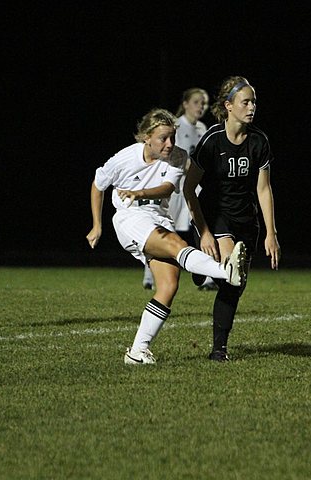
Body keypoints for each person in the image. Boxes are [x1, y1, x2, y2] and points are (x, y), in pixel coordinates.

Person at [87, 108, 247, 365]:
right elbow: (98, 184)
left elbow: (167, 188)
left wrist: (140, 193)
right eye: (163, 138)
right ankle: (225, 272)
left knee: (169, 285)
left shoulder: (176, 156)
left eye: (172, 137)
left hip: (157, 217)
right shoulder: (125, 158)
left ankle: (137, 351)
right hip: (130, 217)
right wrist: (97, 225)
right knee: (176, 245)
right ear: (146, 138)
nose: (170, 144)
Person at [183, 76, 281, 362]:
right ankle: (201, 257)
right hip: (216, 215)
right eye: (245, 102)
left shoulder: (259, 141)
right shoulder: (212, 141)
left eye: (254, 102)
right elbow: (189, 188)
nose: (252, 107)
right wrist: (203, 231)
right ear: (228, 106)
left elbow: (263, 189)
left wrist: (271, 233)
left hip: (246, 220)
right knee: (230, 270)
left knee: (234, 286)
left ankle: (218, 347)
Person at [141, 87, 218, 291]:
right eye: (196, 102)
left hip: (194, 187)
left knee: (201, 228)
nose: (201, 106)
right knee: (163, 228)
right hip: (173, 186)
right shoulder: (176, 127)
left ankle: (207, 276)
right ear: (185, 104)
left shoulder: (202, 128)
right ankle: (149, 275)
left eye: (204, 103)